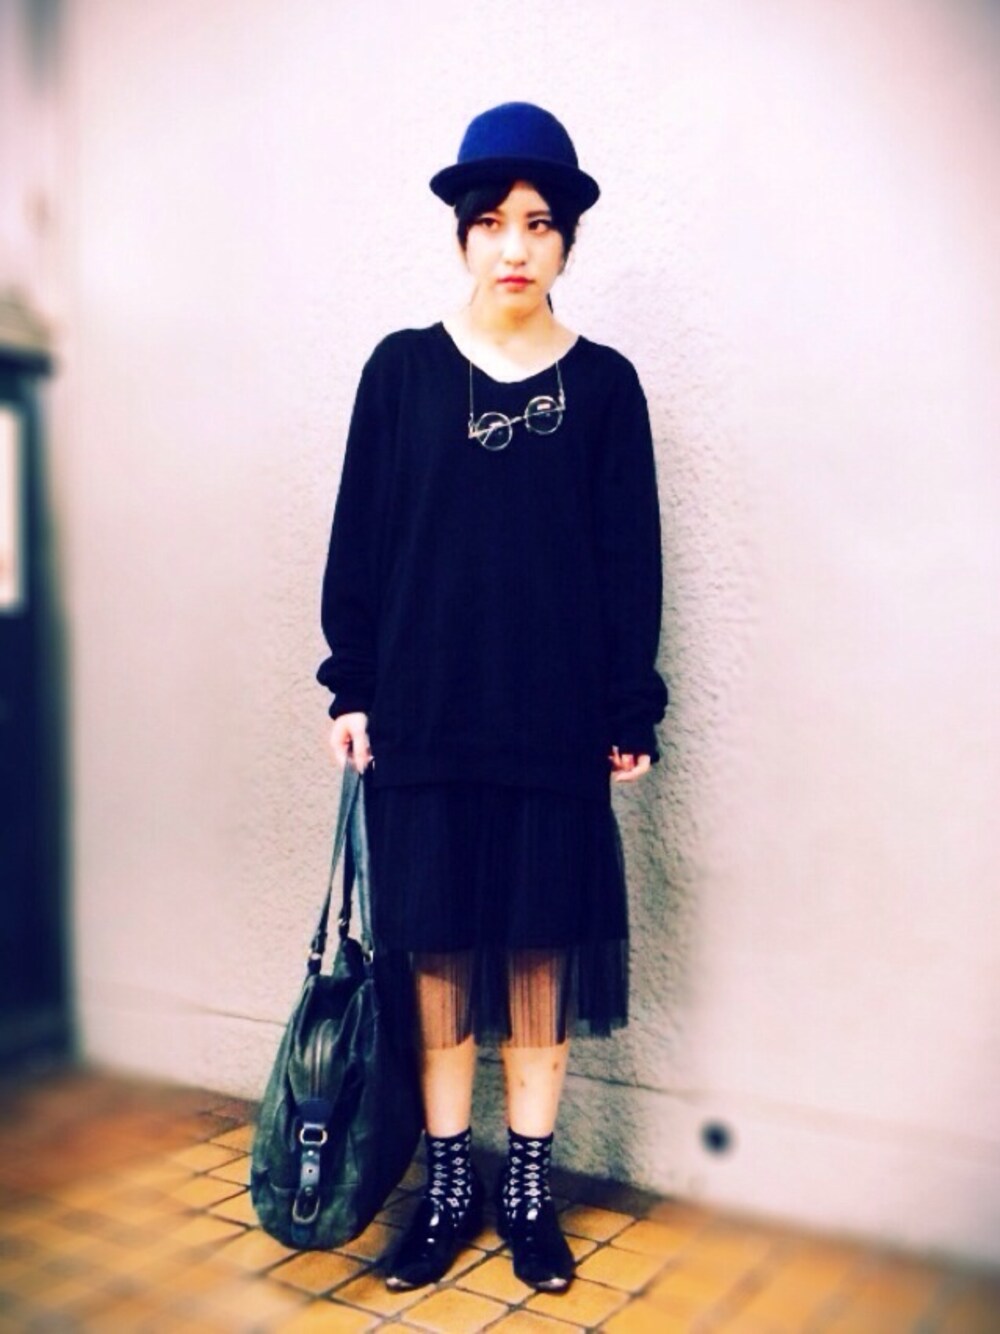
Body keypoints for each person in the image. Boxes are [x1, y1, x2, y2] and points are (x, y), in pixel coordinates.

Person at [317, 102, 667, 1294]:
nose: (514, 246)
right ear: (461, 234)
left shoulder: (605, 388)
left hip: (552, 723)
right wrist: (351, 686)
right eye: (490, 222)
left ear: (566, 239)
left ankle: (527, 1190)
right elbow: (360, 542)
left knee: (536, 959)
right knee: (435, 961)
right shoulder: (401, 372)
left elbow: (628, 559)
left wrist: (628, 705)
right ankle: (445, 1187)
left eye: (538, 223)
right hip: (422, 719)